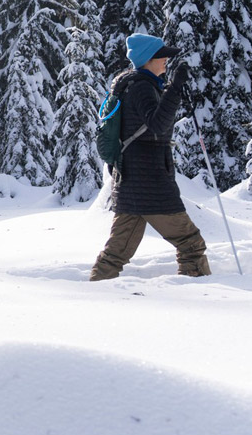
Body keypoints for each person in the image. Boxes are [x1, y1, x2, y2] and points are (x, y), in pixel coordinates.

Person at [89, 33, 212, 280]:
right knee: (191, 244)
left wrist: (169, 90)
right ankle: (202, 294)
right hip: (151, 184)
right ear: (148, 59)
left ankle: (95, 294)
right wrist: (175, 89)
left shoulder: (133, 85)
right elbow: (157, 124)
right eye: (162, 55)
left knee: (117, 252)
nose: (166, 59)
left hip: (132, 181)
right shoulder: (142, 88)